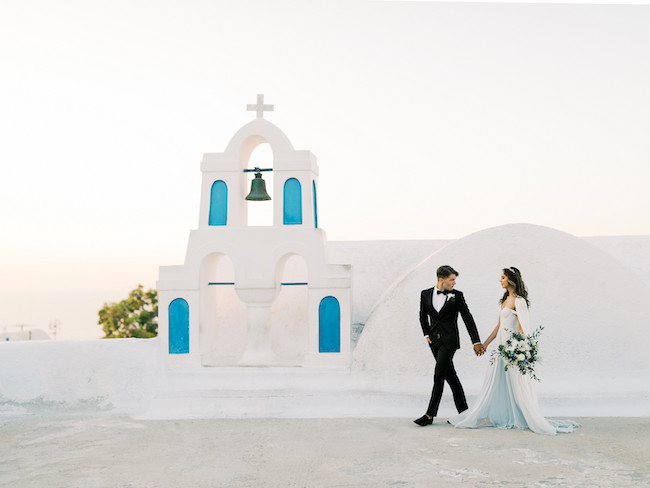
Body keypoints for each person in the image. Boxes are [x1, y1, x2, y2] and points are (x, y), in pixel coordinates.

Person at [449, 267, 580, 435]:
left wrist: (517, 350)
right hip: (500, 348)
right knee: (495, 378)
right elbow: (499, 326)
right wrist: (485, 344)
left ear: (510, 280)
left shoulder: (519, 301)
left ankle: (521, 415)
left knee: (515, 382)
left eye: (502, 277)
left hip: (511, 349)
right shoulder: (504, 300)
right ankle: (497, 413)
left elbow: (522, 329)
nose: (500, 280)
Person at [414, 265, 484, 426]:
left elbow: (468, 318)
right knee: (450, 376)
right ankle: (465, 412)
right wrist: (426, 334)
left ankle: (429, 415)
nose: (454, 283)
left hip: (449, 341)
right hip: (434, 341)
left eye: (454, 280)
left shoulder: (457, 296)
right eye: (451, 280)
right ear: (441, 279)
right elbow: (422, 315)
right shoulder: (425, 294)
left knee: (439, 375)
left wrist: (476, 341)